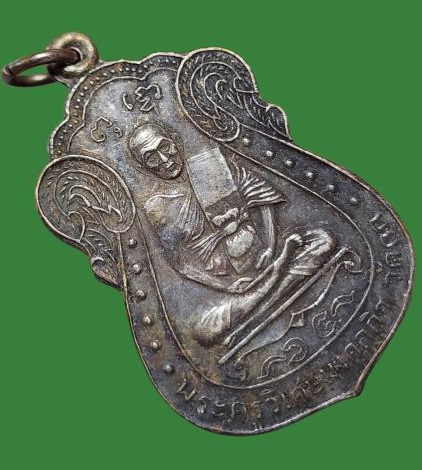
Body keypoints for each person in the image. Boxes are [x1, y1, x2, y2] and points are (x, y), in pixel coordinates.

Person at [128, 123, 336, 346]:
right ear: (143, 166)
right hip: (236, 290)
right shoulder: (158, 208)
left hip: (266, 260)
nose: (164, 159)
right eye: (151, 157)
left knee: (324, 241)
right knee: (202, 332)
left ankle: (270, 285)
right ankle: (277, 279)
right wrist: (227, 287)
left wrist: (271, 246)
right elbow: (180, 264)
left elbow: (261, 194)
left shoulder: (212, 166)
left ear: (175, 141)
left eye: (164, 147)